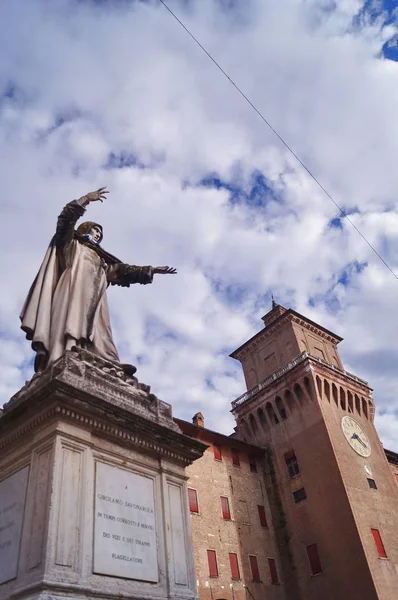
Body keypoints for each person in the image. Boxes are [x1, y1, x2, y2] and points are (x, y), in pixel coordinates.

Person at [20, 187, 176, 372]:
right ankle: (66, 353)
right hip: (72, 290)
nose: (98, 234)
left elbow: (121, 270)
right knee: (71, 321)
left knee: (101, 331)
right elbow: (65, 221)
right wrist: (85, 199)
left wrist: (150, 270)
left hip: (96, 298)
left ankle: (107, 362)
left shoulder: (101, 260)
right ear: (84, 229)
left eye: (100, 234)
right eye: (95, 230)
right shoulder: (71, 245)